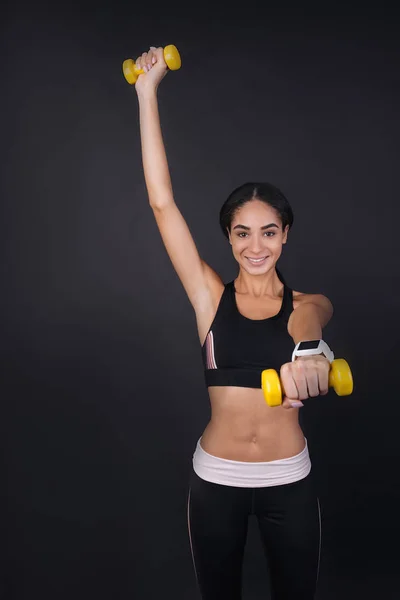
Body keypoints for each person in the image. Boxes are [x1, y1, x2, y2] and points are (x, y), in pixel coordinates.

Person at [133, 46, 334, 600]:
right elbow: (161, 202)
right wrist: (147, 93)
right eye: (242, 233)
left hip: (288, 482)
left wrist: (312, 352)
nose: (255, 246)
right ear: (228, 238)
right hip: (215, 481)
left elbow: (310, 321)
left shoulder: (307, 304)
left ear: (285, 235)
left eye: (268, 231)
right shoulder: (208, 297)